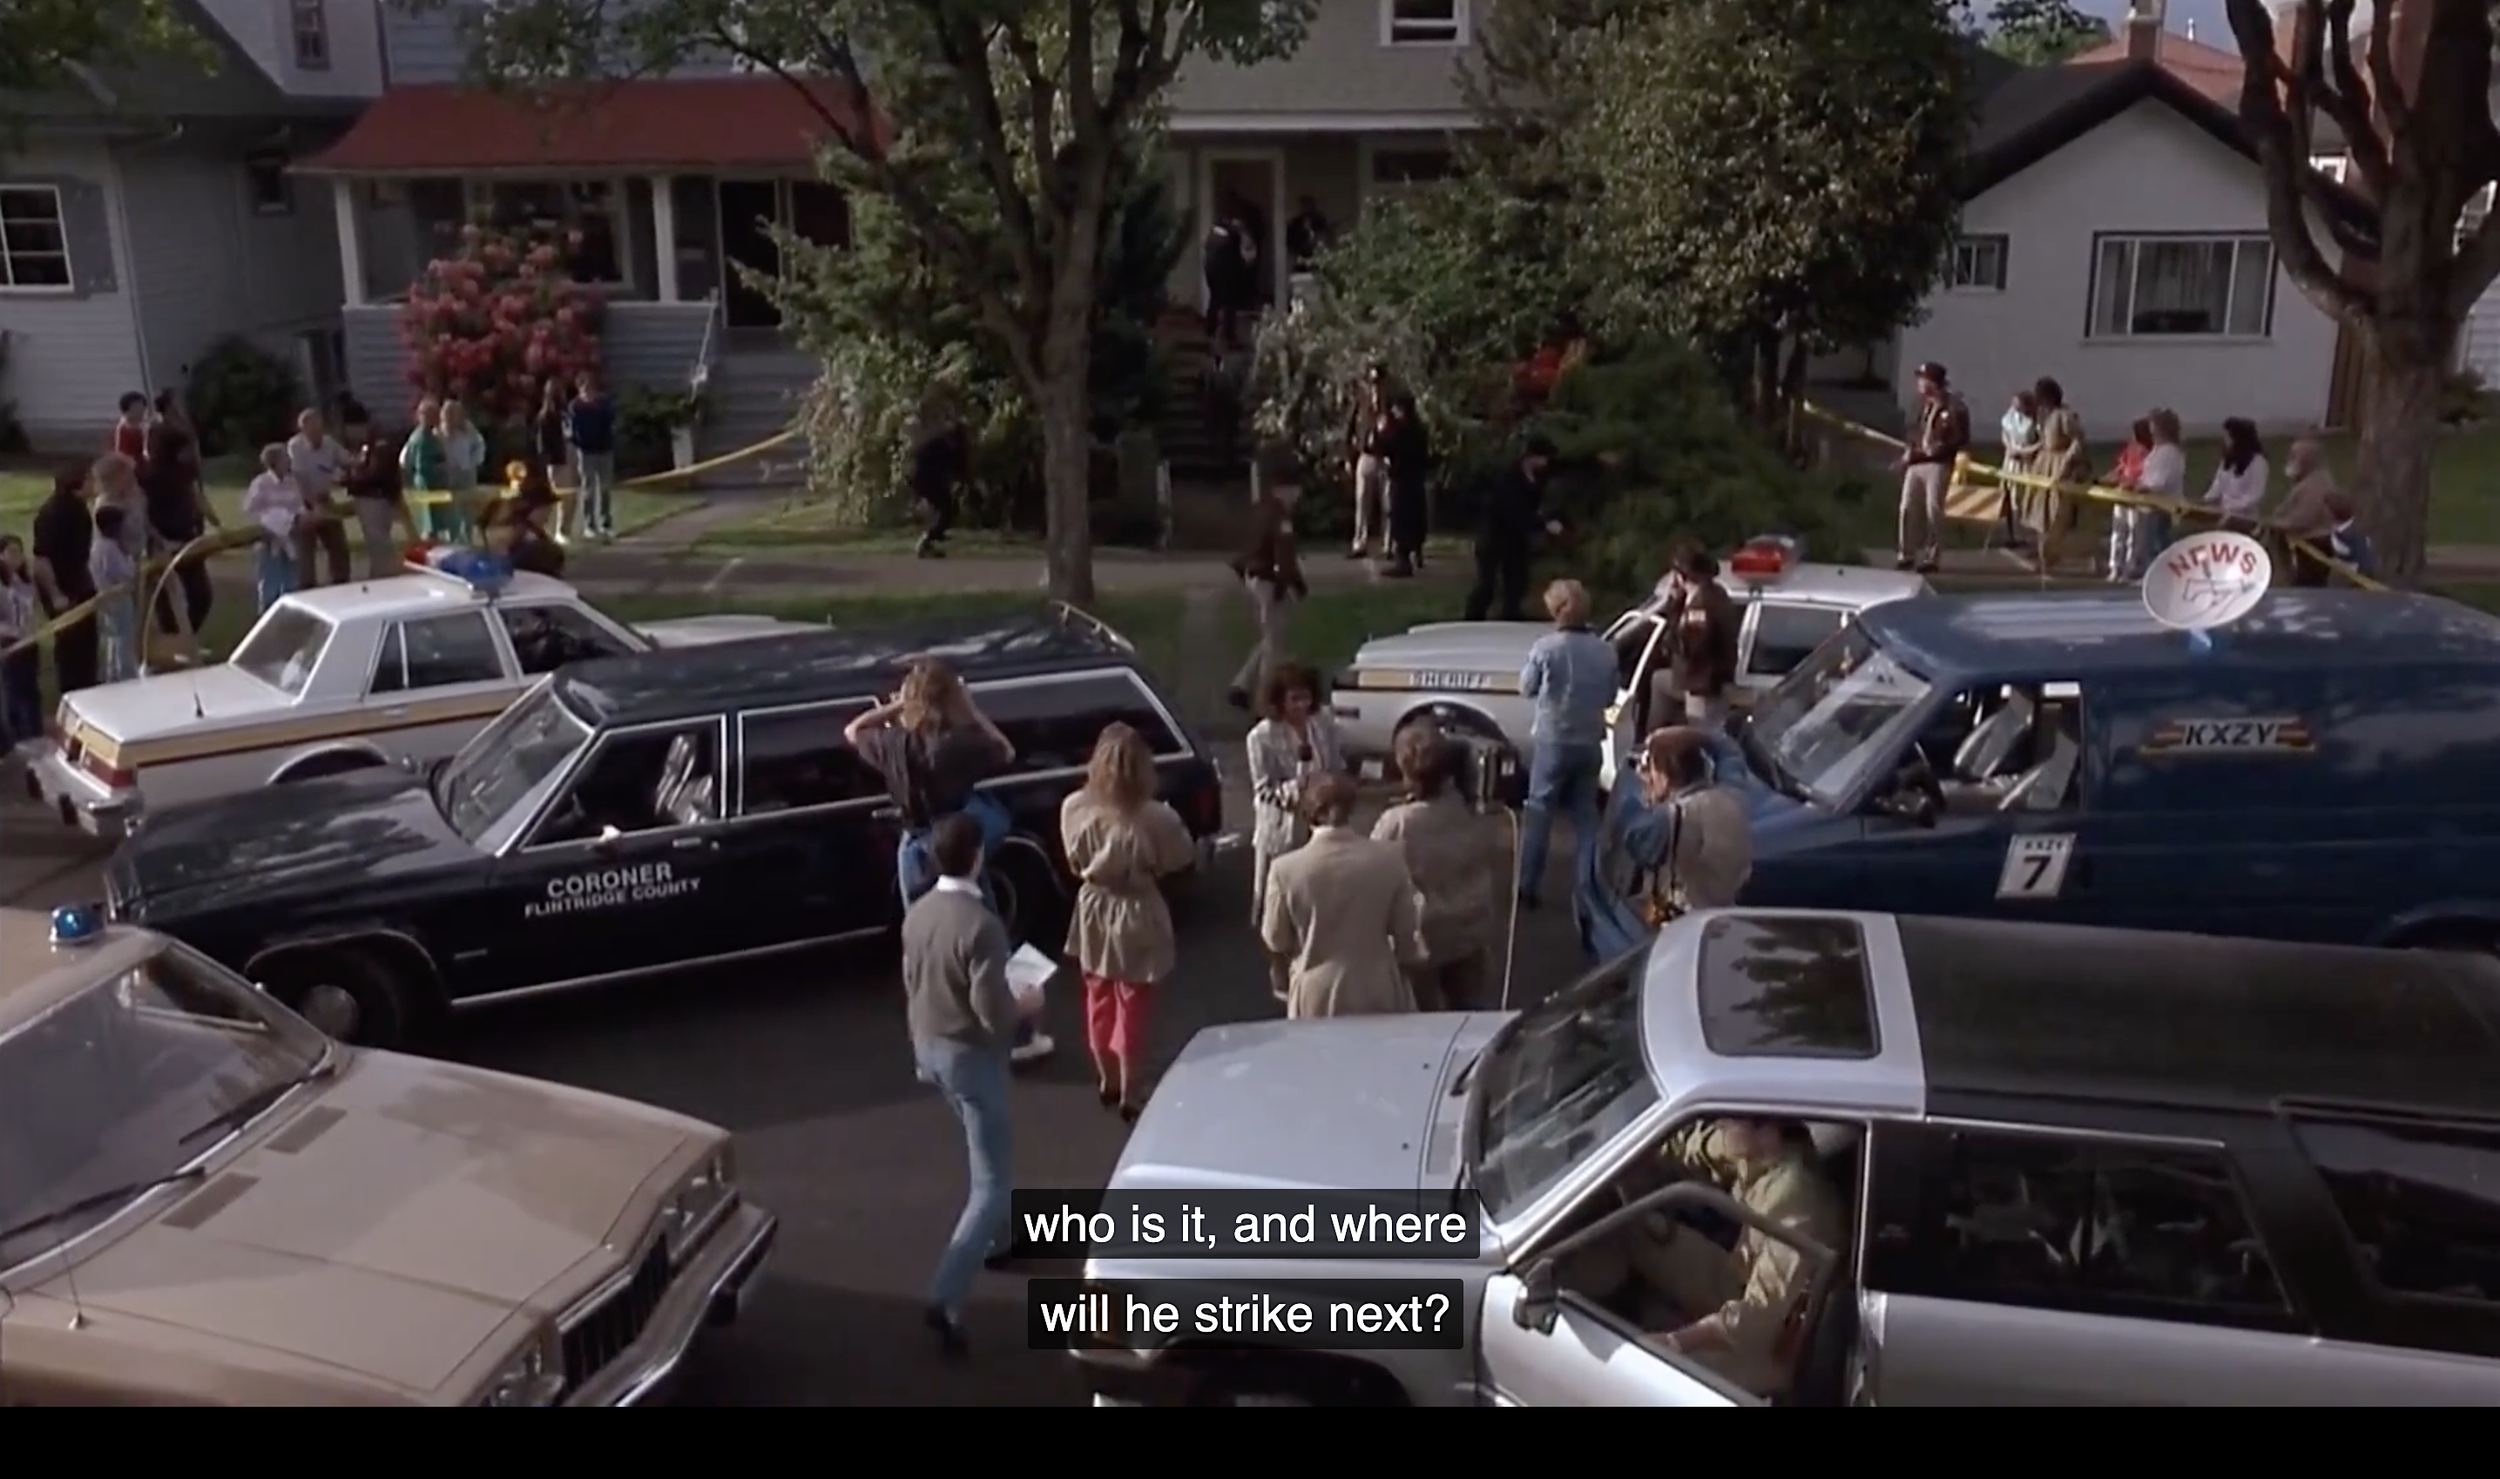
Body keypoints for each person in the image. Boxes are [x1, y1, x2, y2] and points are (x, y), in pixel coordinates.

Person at [844, 658, 1053, 1067]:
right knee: (989, 939)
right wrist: (971, 709)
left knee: (924, 946)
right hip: (958, 843)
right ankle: (1018, 1034)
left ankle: (935, 1038)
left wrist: (896, 707)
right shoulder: (958, 745)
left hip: (914, 851)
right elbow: (1005, 750)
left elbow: (853, 731)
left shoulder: (894, 745)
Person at [1560, 1116, 1845, 1399]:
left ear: (1769, 1132)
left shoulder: (1796, 1196)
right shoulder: (1756, 1149)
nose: (1722, 1124)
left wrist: (1676, 1341)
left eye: (1733, 1121)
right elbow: (1696, 1145)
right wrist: (1631, 1143)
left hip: (1778, 1340)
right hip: (1744, 1281)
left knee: (1651, 1377)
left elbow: (1759, 1315)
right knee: (1633, 1226)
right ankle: (1564, 1291)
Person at [900, 812, 1035, 1357]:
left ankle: (999, 1239)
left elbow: (913, 980)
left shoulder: (918, 913)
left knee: (981, 1147)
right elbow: (993, 1012)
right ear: (977, 856)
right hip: (969, 1059)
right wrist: (1027, 1003)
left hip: (929, 1048)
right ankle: (946, 1295)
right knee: (992, 1183)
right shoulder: (982, 926)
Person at [1060, 723, 1197, 1120]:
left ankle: (1107, 1078)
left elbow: (1072, 859)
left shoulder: (1075, 807)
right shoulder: (1158, 817)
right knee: (1133, 1002)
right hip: (1137, 907)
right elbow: (1181, 858)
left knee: (1098, 995)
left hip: (1093, 905)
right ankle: (1131, 1088)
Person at [1261, 773, 1424, 1019]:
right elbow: (1407, 931)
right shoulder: (1389, 857)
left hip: (1315, 991)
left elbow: (1276, 940)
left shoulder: (1284, 870)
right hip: (1377, 985)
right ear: (1351, 809)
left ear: (1307, 813)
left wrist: (1281, 977)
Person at [1371, 721, 1505, 1012]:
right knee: (1471, 1008)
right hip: (1470, 926)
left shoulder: (1397, 823)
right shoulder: (1472, 811)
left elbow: (1375, 873)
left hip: (1423, 934)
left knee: (1422, 1013)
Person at [1515, 578, 1617, 911]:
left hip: (1554, 738)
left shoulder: (1546, 648)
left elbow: (1527, 688)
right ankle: (1587, 886)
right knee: (1586, 815)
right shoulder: (1605, 650)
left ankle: (1528, 884)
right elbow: (1610, 696)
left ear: (1556, 611)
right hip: (1589, 740)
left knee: (1540, 811)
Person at [1245, 661, 1346, 947]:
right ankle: (1276, 946)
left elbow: (1336, 764)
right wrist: (1299, 789)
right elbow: (1263, 789)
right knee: (1279, 895)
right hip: (1283, 829)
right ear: (1279, 701)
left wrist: (1333, 787)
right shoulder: (1260, 737)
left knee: (1316, 891)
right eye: (1294, 699)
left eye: (1307, 697)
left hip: (1321, 823)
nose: (1302, 705)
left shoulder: (1323, 723)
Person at [1620, 726, 1752, 925]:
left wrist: (1641, 788)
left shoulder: (1672, 819)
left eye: (1651, 769)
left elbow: (1635, 837)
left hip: (1681, 922)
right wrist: (1693, 736)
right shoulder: (1734, 794)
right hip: (1723, 915)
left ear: (1664, 778)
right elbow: (1729, 751)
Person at [1225, 470, 1306, 711]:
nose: (1297, 496)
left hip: (1253, 577)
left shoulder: (1260, 510)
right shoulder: (1280, 517)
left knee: (1268, 637)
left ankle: (1241, 685)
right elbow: (1285, 555)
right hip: (1268, 581)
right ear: (1283, 490)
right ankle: (1265, 701)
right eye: (1295, 490)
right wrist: (1294, 584)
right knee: (1273, 646)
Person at [141, 393, 217, 640]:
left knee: (201, 596)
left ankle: (185, 638)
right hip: (164, 542)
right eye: (185, 451)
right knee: (166, 597)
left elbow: (195, 496)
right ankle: (172, 640)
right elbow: (141, 514)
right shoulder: (150, 478)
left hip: (189, 537)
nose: (190, 455)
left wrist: (215, 523)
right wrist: (160, 541)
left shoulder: (185, 473)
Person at [1466, 435, 1560, 623]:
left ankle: (1510, 615)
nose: (1545, 463)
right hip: (1493, 535)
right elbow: (1514, 511)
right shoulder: (1509, 478)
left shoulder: (1538, 476)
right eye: (1542, 458)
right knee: (1487, 584)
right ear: (1531, 457)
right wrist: (1544, 524)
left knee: (1517, 582)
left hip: (1516, 538)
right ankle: (1472, 618)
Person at [28, 465, 99, 695]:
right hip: (62, 588)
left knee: (87, 643)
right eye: (90, 480)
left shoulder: (79, 509)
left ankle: (88, 689)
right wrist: (55, 593)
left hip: (80, 584)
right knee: (70, 645)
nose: (94, 484)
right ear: (77, 484)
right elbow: (41, 559)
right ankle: (72, 692)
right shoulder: (54, 514)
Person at [1895, 362, 1969, 573]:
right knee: (1907, 507)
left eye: (1923, 379)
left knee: (1933, 510)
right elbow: (1911, 429)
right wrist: (1909, 450)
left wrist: (1941, 447)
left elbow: (1961, 437)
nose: (1919, 383)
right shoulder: (1918, 404)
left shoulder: (1954, 407)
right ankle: (1906, 553)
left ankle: (1931, 556)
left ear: (1933, 383)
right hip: (1917, 461)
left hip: (1938, 463)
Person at [1665, 548, 1741, 728]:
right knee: (1658, 681)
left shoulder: (1700, 606)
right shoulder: (1717, 593)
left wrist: (1671, 638)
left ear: (1682, 577)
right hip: (1709, 681)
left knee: (1702, 732)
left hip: (1702, 684)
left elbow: (1691, 647)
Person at [286, 408, 355, 586]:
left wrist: (350, 470)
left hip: (324, 498)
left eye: (318, 427)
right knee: (305, 549)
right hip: (302, 502)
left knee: (338, 544)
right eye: (311, 429)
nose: (316, 433)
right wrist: (313, 506)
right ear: (303, 430)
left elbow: (348, 461)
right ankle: (307, 587)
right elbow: (300, 478)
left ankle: (340, 582)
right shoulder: (296, 447)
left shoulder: (329, 443)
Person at [347, 424, 415, 579]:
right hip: (384, 498)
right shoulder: (380, 451)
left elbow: (372, 475)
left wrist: (350, 480)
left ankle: (384, 573)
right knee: (380, 540)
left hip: (373, 499)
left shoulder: (378, 452)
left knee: (378, 541)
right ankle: (380, 572)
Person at [2031, 377, 2087, 560]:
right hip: (2044, 464)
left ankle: (2053, 551)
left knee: (2057, 512)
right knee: (2040, 510)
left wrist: (2066, 463)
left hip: (2059, 464)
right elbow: (2043, 440)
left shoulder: (2065, 415)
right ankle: (2042, 550)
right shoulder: (2044, 415)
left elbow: (2077, 441)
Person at [241, 443, 301, 614]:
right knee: (269, 578)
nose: (288, 461)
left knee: (291, 577)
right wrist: (272, 520)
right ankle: (267, 613)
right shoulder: (261, 483)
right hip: (268, 538)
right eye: (285, 458)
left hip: (290, 536)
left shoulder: (291, 482)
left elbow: (299, 506)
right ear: (274, 462)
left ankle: (289, 612)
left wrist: (293, 518)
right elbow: (250, 509)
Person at [2274, 436, 2340, 585]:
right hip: (2306, 545)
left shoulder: (2316, 484)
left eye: (2295, 455)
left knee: (2308, 586)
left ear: (2309, 460)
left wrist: (2278, 523)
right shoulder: (2307, 481)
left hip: (2315, 544)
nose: (2289, 459)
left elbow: (2304, 519)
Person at [1381, 390, 1432, 578]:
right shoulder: (1419, 430)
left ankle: (1403, 561)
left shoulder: (1400, 431)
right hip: (1415, 480)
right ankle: (1416, 552)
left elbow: (1387, 447)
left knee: (1400, 518)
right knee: (1414, 518)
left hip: (1402, 480)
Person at [89, 504, 140, 683]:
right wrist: (132, 561)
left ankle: (112, 676)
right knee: (123, 638)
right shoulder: (110, 548)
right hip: (118, 598)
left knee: (112, 638)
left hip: (104, 598)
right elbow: (125, 574)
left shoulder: (96, 547)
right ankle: (125, 675)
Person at [1347, 363, 1391, 560]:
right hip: (1366, 454)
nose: (1375, 386)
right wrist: (1350, 455)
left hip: (1385, 456)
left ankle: (1389, 544)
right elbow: (1350, 427)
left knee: (1388, 504)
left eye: (1378, 382)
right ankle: (1359, 542)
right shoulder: (1362, 402)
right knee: (1362, 501)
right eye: (1372, 381)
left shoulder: (1389, 404)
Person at [0, 535, 41, 749]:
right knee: (13, 695)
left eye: (19, 552)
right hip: (9, 646)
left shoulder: (25, 581)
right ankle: (17, 739)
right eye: (11, 552)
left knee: (31, 691)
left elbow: (31, 608)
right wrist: (15, 632)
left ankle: (36, 734)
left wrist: (31, 629)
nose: (17, 557)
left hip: (29, 644)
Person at [568, 374, 620, 542]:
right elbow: (572, 429)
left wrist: (597, 406)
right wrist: (578, 443)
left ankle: (606, 523)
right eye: (584, 388)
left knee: (605, 488)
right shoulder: (575, 407)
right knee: (588, 489)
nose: (588, 392)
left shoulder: (603, 404)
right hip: (586, 452)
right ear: (579, 389)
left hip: (604, 450)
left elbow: (611, 421)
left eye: (591, 388)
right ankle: (589, 525)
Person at [910, 418, 971, 559]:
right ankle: (926, 541)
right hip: (926, 481)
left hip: (933, 482)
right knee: (947, 510)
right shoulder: (937, 446)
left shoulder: (953, 448)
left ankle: (933, 536)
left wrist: (964, 482)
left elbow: (961, 469)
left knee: (948, 510)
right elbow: (919, 460)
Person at [438, 399, 489, 541]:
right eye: (447, 413)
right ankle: (452, 538)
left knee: (468, 508)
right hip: (448, 476)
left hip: (467, 474)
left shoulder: (468, 430)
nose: (450, 417)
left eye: (453, 413)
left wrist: (473, 463)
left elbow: (479, 446)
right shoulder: (438, 432)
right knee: (450, 508)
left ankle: (468, 537)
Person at [400, 397, 450, 542]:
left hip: (435, 483)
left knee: (436, 520)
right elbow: (421, 465)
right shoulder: (421, 438)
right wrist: (440, 466)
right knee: (429, 521)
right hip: (427, 483)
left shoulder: (431, 435)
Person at [2203, 417, 2269, 526]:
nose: (2226, 440)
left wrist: (2231, 506)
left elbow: (2254, 495)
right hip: (2223, 513)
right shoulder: (2227, 460)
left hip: (2245, 518)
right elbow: (2217, 486)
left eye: (2229, 437)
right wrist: (2205, 501)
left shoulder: (2258, 462)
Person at [1996, 388, 2041, 548]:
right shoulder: (2010, 416)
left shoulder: (2035, 420)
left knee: (2022, 499)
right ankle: (2010, 533)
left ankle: (2024, 534)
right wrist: (2010, 447)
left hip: (2026, 463)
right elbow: (2005, 433)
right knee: (2008, 497)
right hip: (2010, 461)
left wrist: (2024, 451)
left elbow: (2041, 442)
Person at [532, 378, 576, 538]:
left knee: (571, 497)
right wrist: (546, 462)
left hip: (569, 456)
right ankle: (557, 531)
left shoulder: (565, 413)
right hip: (557, 461)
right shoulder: (546, 416)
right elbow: (543, 444)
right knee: (562, 497)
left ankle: (565, 530)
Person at [2326, 492, 2375, 580]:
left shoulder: (2354, 535)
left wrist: (2345, 566)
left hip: (2354, 582)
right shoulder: (2336, 529)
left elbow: (2365, 564)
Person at [1286, 194, 1331, 273]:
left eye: (1309, 205)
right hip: (1301, 261)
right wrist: (1297, 257)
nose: (1306, 208)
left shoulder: (1320, 221)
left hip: (1317, 260)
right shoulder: (1295, 224)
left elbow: (1324, 237)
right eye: (1304, 205)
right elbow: (1290, 242)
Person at [108, 391, 150, 466]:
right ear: (126, 410)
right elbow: (118, 452)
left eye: (143, 406)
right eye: (137, 407)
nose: (142, 410)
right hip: (127, 467)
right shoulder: (119, 429)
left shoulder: (147, 427)